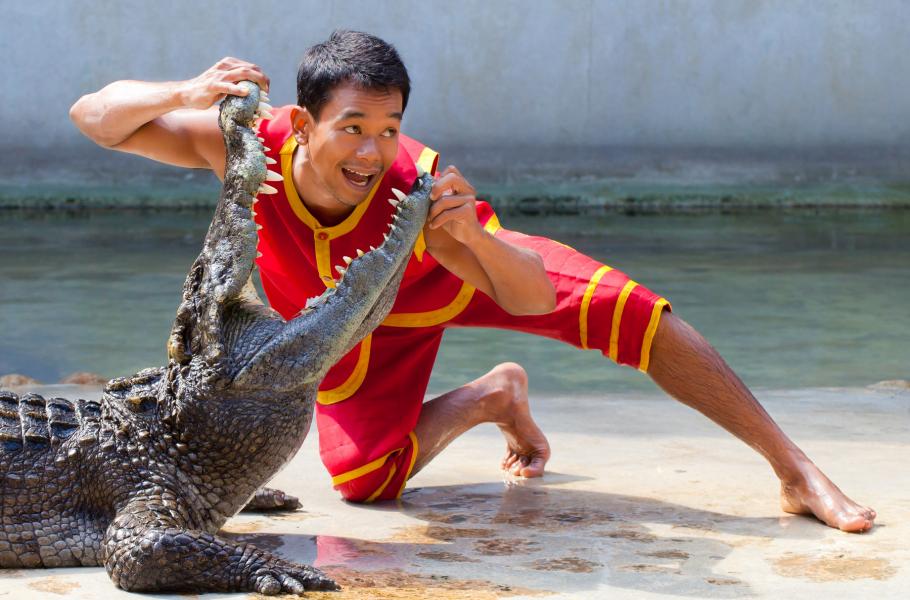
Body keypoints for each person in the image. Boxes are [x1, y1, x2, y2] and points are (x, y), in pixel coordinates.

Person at [70, 30, 875, 532]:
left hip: (448, 274)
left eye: (388, 129)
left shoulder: (418, 184)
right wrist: (184, 92)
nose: (371, 151)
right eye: (353, 128)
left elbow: (530, 298)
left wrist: (468, 237)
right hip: (351, 329)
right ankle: (494, 396)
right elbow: (94, 118)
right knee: (363, 483)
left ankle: (793, 469)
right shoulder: (249, 144)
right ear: (306, 125)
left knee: (633, 314)